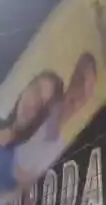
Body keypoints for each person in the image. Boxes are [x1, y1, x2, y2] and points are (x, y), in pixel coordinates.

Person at [14, 53, 97, 185]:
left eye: (89, 90)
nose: (83, 94)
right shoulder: (41, 110)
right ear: (74, 77)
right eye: (82, 80)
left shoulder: (59, 146)